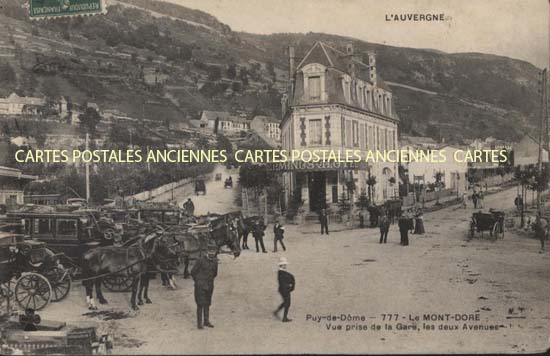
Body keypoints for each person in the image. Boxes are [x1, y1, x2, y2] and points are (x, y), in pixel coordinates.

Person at [191, 245, 218, 329]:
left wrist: (209, 281)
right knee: (200, 304)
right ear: (207, 251)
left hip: (209, 285)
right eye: (210, 251)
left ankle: (206, 321)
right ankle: (199, 323)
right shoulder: (200, 260)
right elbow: (193, 272)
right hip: (200, 285)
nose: (212, 253)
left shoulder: (215, 261)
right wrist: (198, 281)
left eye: (213, 251)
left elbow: (215, 273)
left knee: (207, 303)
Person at [273, 257, 295, 322]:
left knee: (286, 302)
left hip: (282, 289)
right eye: (284, 264)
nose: (285, 265)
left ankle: (277, 312)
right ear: (281, 265)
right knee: (287, 303)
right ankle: (284, 318)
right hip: (285, 290)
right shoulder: (282, 273)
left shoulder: (281, 272)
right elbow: (285, 281)